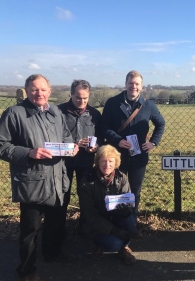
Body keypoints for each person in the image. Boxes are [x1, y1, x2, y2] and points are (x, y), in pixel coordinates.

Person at [0, 74, 79, 281]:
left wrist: (71, 147)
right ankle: (27, 270)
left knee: (56, 222)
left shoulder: (55, 112)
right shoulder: (14, 114)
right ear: (26, 91)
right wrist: (28, 153)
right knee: (30, 229)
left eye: (43, 89)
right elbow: (2, 145)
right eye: (34, 89)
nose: (39, 93)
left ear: (50, 91)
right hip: (31, 181)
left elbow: (65, 136)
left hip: (56, 178)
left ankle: (52, 253)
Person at [101, 70, 165, 236]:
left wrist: (153, 143)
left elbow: (161, 124)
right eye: (131, 83)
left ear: (141, 86)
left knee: (135, 191)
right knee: (115, 189)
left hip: (139, 156)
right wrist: (117, 140)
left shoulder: (148, 105)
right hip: (117, 156)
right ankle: (113, 224)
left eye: (137, 84)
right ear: (126, 84)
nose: (133, 86)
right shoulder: (112, 103)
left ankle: (132, 224)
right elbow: (104, 127)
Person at [78, 145, 136, 265]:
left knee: (130, 220)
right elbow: (90, 215)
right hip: (95, 224)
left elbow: (129, 202)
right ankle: (96, 243)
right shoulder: (87, 182)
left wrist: (125, 212)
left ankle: (124, 247)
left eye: (111, 161)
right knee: (114, 244)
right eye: (103, 161)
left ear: (116, 163)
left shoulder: (122, 178)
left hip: (115, 218)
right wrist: (113, 230)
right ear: (97, 162)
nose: (107, 165)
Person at [58, 79, 103, 233]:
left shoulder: (95, 114)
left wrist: (95, 148)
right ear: (71, 94)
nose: (82, 101)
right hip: (63, 163)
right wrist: (74, 144)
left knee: (86, 197)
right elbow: (52, 138)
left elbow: (101, 138)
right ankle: (59, 229)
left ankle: (85, 228)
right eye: (78, 97)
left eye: (85, 98)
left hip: (86, 162)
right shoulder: (58, 112)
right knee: (63, 197)